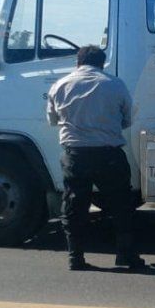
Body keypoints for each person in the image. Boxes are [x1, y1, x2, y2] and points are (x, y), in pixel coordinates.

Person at [47, 45, 146, 271]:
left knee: (73, 205)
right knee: (121, 205)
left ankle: (75, 258)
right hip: (108, 154)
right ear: (102, 63)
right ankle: (125, 255)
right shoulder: (115, 84)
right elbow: (127, 119)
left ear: (78, 63)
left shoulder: (59, 85)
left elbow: (53, 120)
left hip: (75, 155)